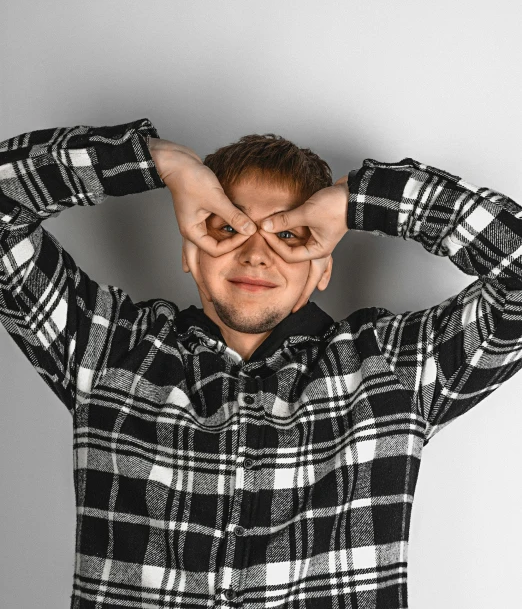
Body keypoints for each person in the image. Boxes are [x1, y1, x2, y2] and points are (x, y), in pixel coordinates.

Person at [1, 116, 521, 609]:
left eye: (289, 236)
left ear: (321, 268)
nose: (256, 254)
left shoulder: (392, 370)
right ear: (188, 251)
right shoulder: (108, 348)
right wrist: (158, 162)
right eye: (228, 228)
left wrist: (361, 200)